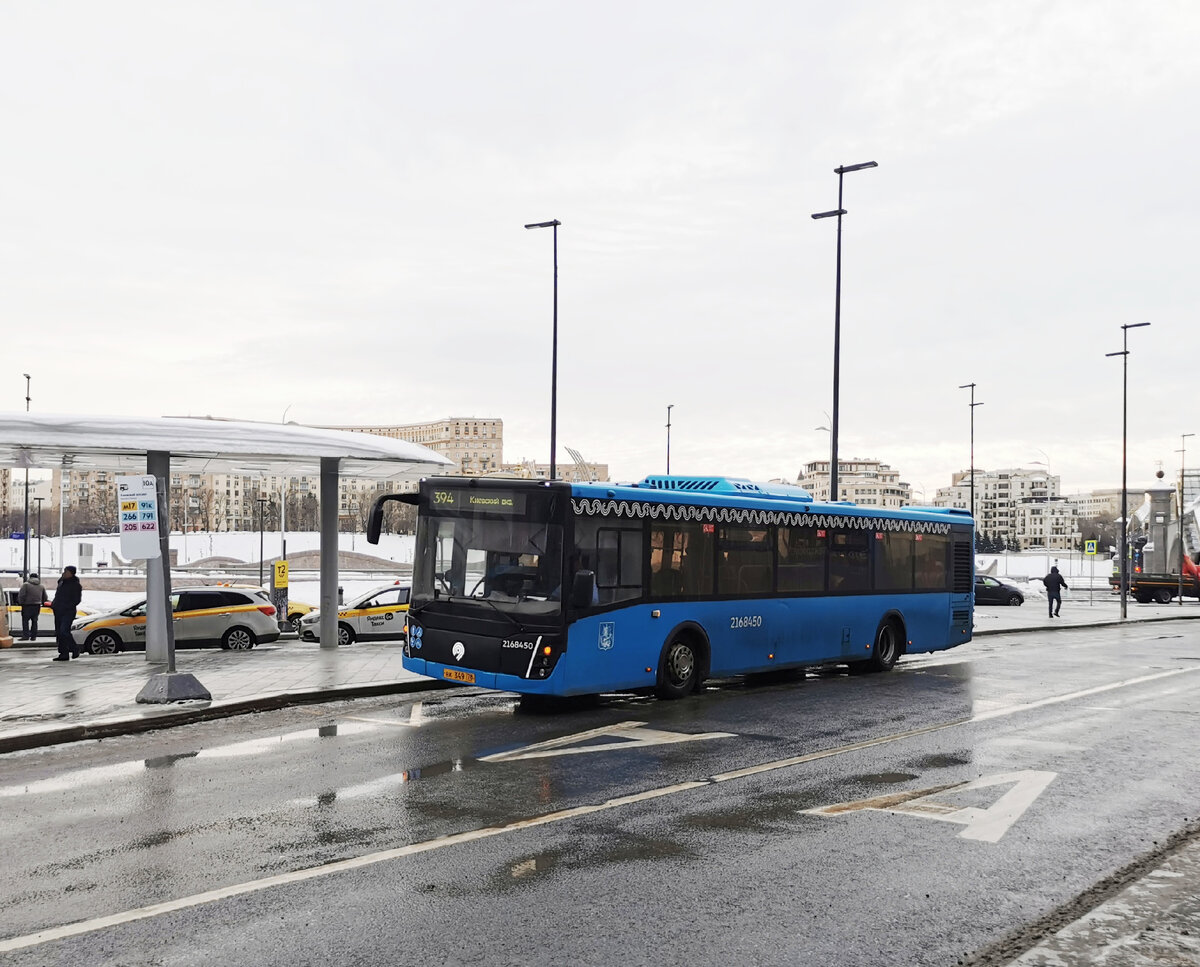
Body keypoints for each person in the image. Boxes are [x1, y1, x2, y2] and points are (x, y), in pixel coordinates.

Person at [50, 565, 83, 661]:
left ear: (72, 573)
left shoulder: (76, 585)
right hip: (58, 610)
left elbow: (77, 600)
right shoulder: (61, 582)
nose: (64, 573)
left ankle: (74, 648)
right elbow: (58, 595)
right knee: (59, 633)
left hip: (68, 611)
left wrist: (67, 606)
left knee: (64, 631)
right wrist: (54, 605)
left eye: (66, 571)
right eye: (64, 571)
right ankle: (63, 653)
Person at [17, 572, 49, 641]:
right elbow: (45, 597)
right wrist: (41, 602)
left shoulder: (25, 585)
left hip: (27, 605)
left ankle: (26, 636)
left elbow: (21, 595)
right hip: (37, 606)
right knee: (34, 621)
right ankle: (33, 636)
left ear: (30, 577)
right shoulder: (41, 586)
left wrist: (21, 603)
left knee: (25, 621)